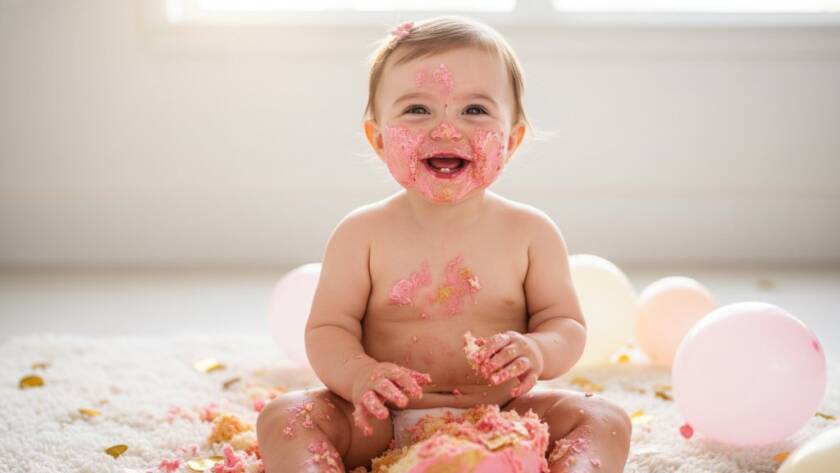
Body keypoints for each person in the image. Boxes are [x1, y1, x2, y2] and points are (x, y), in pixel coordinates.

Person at [257, 15, 631, 473]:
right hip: (380, 421)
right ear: (378, 139)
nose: (447, 130)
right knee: (286, 415)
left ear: (512, 141)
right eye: (418, 110)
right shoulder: (362, 234)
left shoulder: (531, 233)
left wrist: (537, 350)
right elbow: (327, 330)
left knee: (604, 417)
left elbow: (565, 324)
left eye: (475, 110)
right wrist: (360, 376)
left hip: (503, 417)